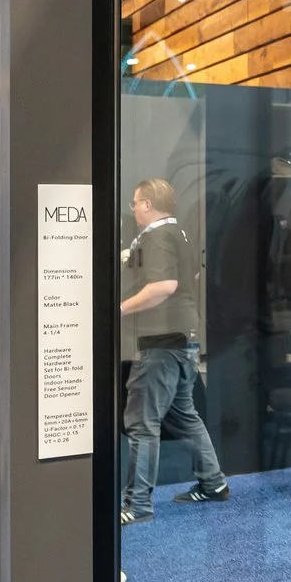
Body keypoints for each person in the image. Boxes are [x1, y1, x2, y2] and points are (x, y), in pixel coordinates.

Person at [118, 178, 229, 525]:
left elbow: (164, 285)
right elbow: (189, 275)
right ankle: (213, 482)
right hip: (183, 338)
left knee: (142, 422)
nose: (133, 208)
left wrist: (119, 309)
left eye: (136, 203)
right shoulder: (180, 234)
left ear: (148, 204)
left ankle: (137, 505)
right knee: (183, 414)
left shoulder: (156, 237)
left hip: (159, 341)